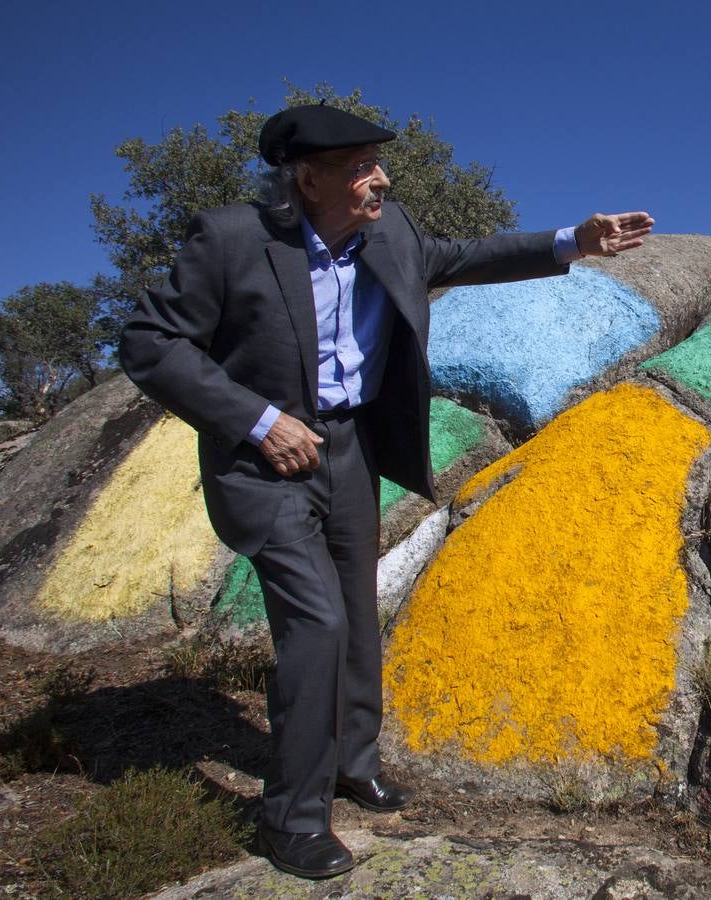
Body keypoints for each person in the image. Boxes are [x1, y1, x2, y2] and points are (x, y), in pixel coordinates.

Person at [120, 104, 652, 879]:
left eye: (379, 163)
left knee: (355, 616)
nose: (383, 178)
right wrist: (260, 421)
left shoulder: (390, 231)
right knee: (316, 625)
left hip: (352, 449)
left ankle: (351, 761)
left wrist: (576, 239)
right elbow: (148, 341)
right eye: (363, 166)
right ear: (308, 179)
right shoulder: (234, 238)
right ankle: (293, 821)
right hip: (265, 460)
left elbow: (468, 254)